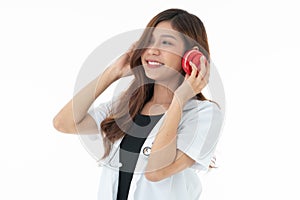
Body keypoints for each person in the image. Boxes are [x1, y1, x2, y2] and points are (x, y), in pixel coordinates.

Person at [53, 8, 224, 200]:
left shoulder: (204, 115)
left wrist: (179, 99)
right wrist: (113, 72)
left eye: (166, 42)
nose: (152, 49)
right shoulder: (126, 106)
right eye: (149, 41)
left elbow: (156, 172)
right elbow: (63, 123)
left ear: (190, 57)